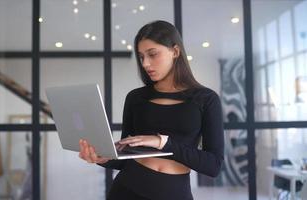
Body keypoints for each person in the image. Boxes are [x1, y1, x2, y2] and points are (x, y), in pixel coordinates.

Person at [78, 20, 224, 200]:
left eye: (153, 54)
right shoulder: (136, 97)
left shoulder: (206, 99)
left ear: (175, 52)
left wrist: (163, 143)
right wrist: (103, 158)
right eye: (141, 57)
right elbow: (125, 157)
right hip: (126, 189)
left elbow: (213, 166)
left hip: (174, 193)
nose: (145, 63)